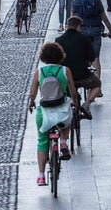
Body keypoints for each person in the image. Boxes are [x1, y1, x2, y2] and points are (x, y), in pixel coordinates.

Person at [28, 42, 79, 185]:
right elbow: (73, 92)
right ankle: (63, 142)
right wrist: (74, 102)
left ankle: (41, 175)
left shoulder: (40, 72)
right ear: (60, 55)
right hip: (61, 110)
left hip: (44, 113)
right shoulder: (65, 70)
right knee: (67, 120)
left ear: (43, 56)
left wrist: (31, 103)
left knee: (42, 141)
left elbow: (33, 93)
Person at [57, 16, 101, 117]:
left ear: (67, 26)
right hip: (82, 76)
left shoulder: (59, 40)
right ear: (78, 26)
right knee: (97, 84)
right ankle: (86, 104)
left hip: (65, 76)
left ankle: (68, 104)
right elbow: (91, 57)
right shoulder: (84, 39)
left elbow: (55, 59)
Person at [71, 0, 111, 82]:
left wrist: (69, 32)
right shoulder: (97, 1)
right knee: (95, 58)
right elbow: (105, 18)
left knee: (81, 57)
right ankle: (97, 84)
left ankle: (81, 79)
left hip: (81, 32)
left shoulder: (75, 2)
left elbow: (71, 20)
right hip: (95, 31)